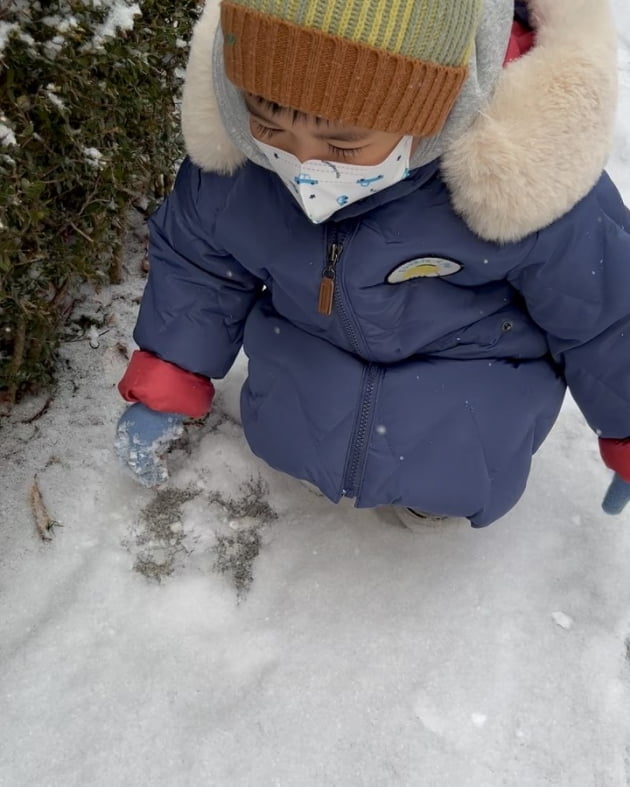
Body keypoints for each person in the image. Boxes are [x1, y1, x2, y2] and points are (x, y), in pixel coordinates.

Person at [115, 0, 630, 527]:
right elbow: (202, 266)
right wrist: (170, 374)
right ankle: (328, 466)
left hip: (470, 371)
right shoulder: (243, 167)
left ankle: (427, 500)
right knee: (300, 423)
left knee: (451, 456)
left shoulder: (524, 183)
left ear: (432, 115)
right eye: (270, 127)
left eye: (342, 143)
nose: (304, 163)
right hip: (311, 358)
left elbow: (608, 315)